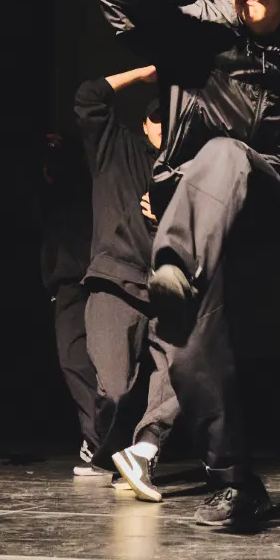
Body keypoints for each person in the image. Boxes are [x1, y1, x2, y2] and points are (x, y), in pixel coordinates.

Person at [98, 0, 280, 531]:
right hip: (193, 204)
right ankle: (235, 482)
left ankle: (174, 264)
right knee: (188, 347)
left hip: (260, 194)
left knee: (227, 153)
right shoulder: (194, 25)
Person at [74, 66, 181, 501]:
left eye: (172, 122)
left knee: (184, 369)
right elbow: (89, 96)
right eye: (157, 120)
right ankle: (109, 452)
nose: (163, 128)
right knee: (115, 390)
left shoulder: (189, 171)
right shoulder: (116, 148)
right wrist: (147, 73)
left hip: (170, 288)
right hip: (116, 281)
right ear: (145, 124)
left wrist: (173, 216)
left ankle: (144, 451)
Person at [37, 129, 106, 473]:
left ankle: (107, 442)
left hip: (100, 278)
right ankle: (97, 441)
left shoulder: (92, 186)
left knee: (108, 364)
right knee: (73, 360)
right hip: (68, 284)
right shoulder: (51, 197)